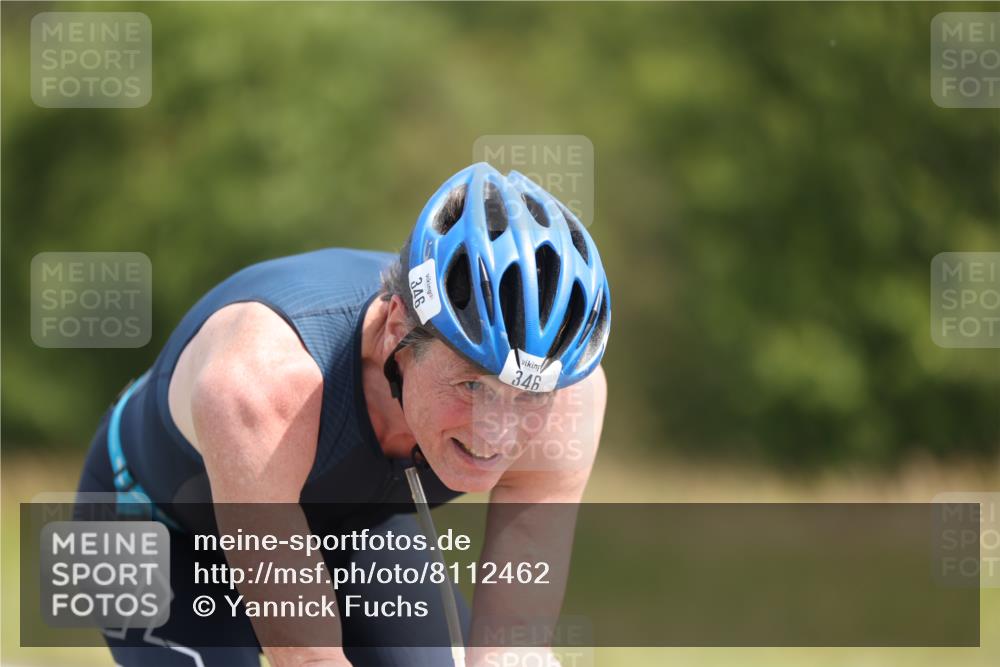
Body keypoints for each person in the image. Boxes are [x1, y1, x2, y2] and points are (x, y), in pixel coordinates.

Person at [74, 162, 611, 666]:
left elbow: (509, 648)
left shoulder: (573, 399)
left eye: (529, 396)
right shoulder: (265, 379)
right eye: (472, 385)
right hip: (149, 521)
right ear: (398, 329)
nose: (498, 431)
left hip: (350, 526)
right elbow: (307, 657)